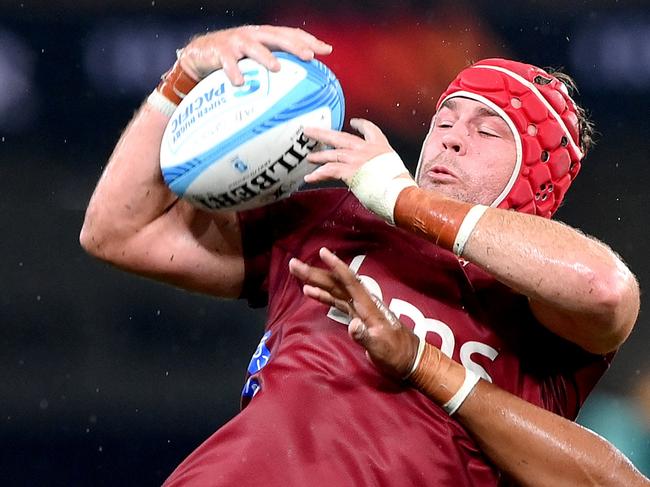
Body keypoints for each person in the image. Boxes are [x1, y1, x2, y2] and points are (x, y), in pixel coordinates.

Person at [80, 25, 642, 486]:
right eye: (444, 121)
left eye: (487, 132)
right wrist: (180, 80)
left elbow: (603, 287)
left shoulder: (541, 309)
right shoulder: (335, 218)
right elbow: (115, 233)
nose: (447, 139)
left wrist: (403, 198)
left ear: (534, 178)